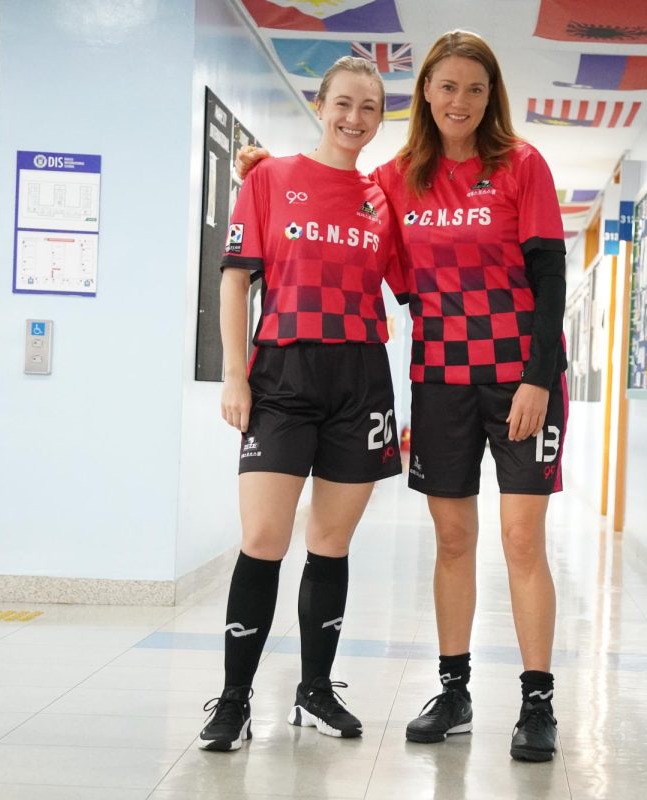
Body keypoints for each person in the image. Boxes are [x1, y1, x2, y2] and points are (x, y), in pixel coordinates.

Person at [239, 29, 568, 762]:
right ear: (425, 92)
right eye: (447, 86)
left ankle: (537, 700)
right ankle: (454, 691)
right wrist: (264, 170)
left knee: (520, 539)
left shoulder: (522, 165)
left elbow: (550, 278)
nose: (461, 101)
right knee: (453, 539)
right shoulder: (396, 180)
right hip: (441, 377)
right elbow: (334, 193)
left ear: (492, 98)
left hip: (522, 379)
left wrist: (539, 377)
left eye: (476, 89)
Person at [197, 56, 404, 752]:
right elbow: (235, 280)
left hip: (360, 378)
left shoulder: (383, 198)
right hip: (281, 372)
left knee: (331, 543)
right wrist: (235, 374)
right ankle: (233, 701)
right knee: (263, 540)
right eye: (343, 103)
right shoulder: (269, 178)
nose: (354, 118)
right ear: (322, 104)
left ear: (381, 119)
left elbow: (412, 283)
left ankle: (315, 691)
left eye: (369, 109)